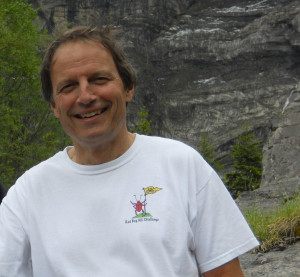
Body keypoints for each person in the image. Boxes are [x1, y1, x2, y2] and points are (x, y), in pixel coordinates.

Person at [0, 26, 259, 277]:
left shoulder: (182, 165)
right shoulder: (27, 195)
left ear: (128, 88)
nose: (86, 96)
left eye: (98, 79)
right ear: (54, 106)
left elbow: (225, 273)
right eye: (68, 86)